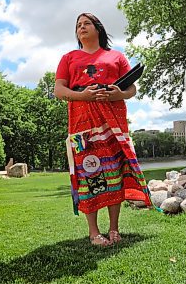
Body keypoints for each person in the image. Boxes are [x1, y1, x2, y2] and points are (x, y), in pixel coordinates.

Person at [54, 13, 152, 247]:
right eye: (78, 25)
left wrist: (119, 94)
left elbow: (131, 88)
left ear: (98, 28)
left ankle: (115, 229)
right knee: (90, 172)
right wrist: (83, 96)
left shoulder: (115, 56)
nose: (81, 27)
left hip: (113, 119)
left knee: (114, 170)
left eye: (86, 23)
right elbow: (59, 90)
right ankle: (94, 232)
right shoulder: (69, 58)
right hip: (82, 120)